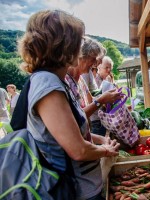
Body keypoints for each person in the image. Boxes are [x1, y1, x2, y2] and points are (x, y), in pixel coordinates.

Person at [17, 10, 121, 200]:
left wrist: (101, 141)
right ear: (63, 44)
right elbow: (78, 150)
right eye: (78, 40)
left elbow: (73, 132)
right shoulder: (47, 84)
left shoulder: (55, 80)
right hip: (76, 191)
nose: (81, 48)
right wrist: (107, 151)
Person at [66, 37, 119, 136]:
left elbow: (90, 102)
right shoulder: (66, 82)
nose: (95, 64)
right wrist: (102, 100)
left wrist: (107, 98)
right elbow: (75, 118)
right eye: (93, 59)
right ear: (81, 56)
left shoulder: (81, 81)